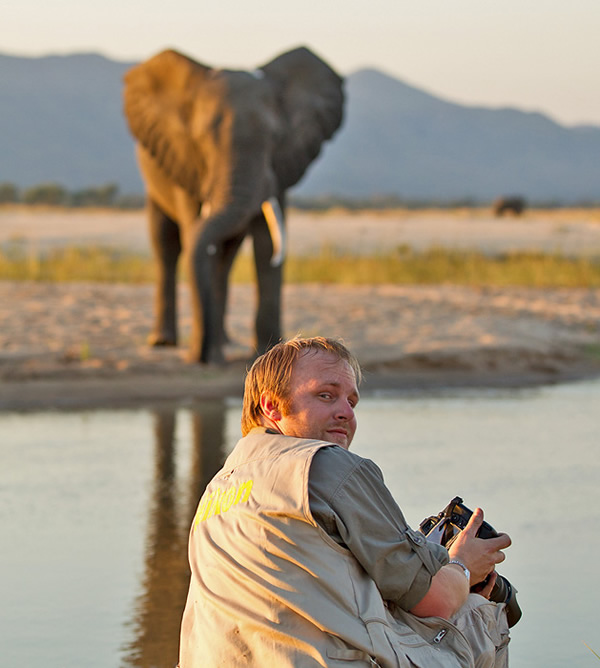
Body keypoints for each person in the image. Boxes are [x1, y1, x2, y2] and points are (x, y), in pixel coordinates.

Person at [178, 336, 512, 667]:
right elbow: (435, 602)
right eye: (326, 396)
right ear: (271, 406)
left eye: (352, 402)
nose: (345, 413)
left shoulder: (214, 492)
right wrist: (463, 565)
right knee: (477, 613)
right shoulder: (328, 464)